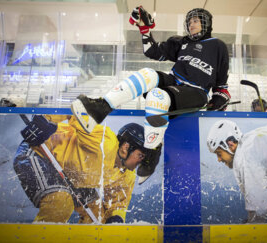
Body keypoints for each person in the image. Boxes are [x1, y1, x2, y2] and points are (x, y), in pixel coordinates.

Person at [70, 6, 230, 182]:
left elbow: (222, 83)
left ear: (206, 23)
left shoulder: (218, 46)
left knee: (156, 96)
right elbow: (152, 51)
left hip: (196, 91)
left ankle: (152, 152)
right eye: (189, 21)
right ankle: (98, 110)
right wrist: (144, 30)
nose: (191, 24)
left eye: (196, 21)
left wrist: (220, 97)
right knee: (147, 73)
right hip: (174, 81)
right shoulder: (182, 42)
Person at [13, 114, 149, 223]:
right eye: (140, 155)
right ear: (125, 147)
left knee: (97, 215)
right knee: (60, 202)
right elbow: (76, 111)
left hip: (72, 175)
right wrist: (44, 120)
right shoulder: (104, 141)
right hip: (40, 151)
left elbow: (117, 203)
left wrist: (115, 220)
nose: (141, 162)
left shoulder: (126, 175)